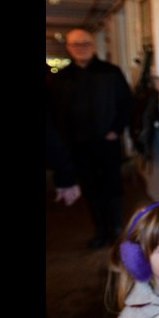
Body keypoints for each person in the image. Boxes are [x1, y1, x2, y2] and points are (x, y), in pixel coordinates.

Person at [47, 28, 133, 248]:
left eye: (85, 44)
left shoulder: (111, 72)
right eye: (75, 45)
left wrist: (116, 129)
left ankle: (116, 230)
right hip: (77, 145)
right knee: (91, 188)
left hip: (107, 142)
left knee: (112, 185)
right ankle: (101, 232)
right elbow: (53, 113)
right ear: (68, 48)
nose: (80, 49)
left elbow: (126, 103)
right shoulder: (61, 78)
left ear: (93, 46)